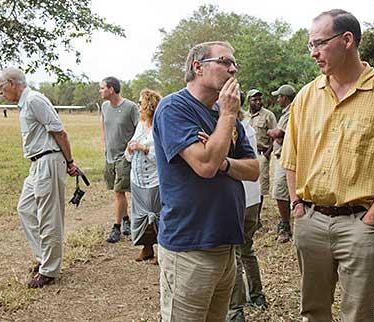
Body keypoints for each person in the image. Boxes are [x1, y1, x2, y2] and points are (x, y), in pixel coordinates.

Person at [281, 9, 374, 322]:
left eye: (319, 43)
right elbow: (291, 157)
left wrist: (372, 217)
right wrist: (296, 207)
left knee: (359, 314)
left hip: (359, 224)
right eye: (310, 45)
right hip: (311, 221)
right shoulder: (307, 96)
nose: (313, 53)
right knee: (312, 311)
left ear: (347, 40)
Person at [153, 41, 259, 322]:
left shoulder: (226, 117)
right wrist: (226, 116)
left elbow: (252, 169)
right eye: (225, 61)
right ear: (198, 67)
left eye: (234, 63)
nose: (233, 69)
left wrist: (224, 160)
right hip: (190, 248)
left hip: (225, 247)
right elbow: (204, 164)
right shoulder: (174, 108)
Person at [0, 67, 79, 288]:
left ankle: (50, 271)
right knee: (25, 209)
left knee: (49, 216)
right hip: (36, 164)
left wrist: (70, 162)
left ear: (12, 83)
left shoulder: (34, 100)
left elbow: (60, 132)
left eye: (1, 87)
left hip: (49, 161)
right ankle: (45, 258)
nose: (0, 92)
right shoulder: (25, 104)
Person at [226, 92, 267, 322]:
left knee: (233, 256)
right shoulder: (248, 127)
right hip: (253, 198)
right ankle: (257, 294)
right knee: (247, 250)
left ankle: (235, 310)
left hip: (238, 199)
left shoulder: (231, 128)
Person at [99, 76, 139, 243]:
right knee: (117, 192)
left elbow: (140, 128)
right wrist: (104, 145)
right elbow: (104, 125)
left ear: (111, 89)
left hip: (124, 156)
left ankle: (117, 228)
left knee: (119, 192)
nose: (100, 91)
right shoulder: (105, 106)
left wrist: (131, 147)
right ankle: (126, 220)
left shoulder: (130, 107)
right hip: (109, 156)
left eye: (102, 88)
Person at [124, 88, 162, 263]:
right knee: (140, 215)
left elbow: (162, 156)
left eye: (140, 102)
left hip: (154, 180)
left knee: (158, 214)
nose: (138, 106)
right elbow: (129, 152)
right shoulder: (140, 125)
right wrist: (130, 148)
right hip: (137, 179)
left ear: (149, 105)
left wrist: (143, 148)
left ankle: (162, 251)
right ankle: (146, 249)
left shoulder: (160, 126)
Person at [267, 84, 296, 243]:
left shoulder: (291, 111)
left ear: (285, 97)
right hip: (282, 155)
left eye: (279, 96)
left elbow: (279, 133)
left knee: (280, 191)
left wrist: (271, 132)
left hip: (286, 157)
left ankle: (285, 226)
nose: (278, 99)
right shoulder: (286, 112)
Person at [248, 89, 277, 227]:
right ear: (248, 101)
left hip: (261, 154)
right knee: (248, 186)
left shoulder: (268, 115)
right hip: (247, 154)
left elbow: (275, 136)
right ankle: (248, 216)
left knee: (260, 187)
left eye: (260, 99)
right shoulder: (244, 115)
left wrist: (267, 154)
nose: (258, 102)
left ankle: (257, 219)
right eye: (255, 100)